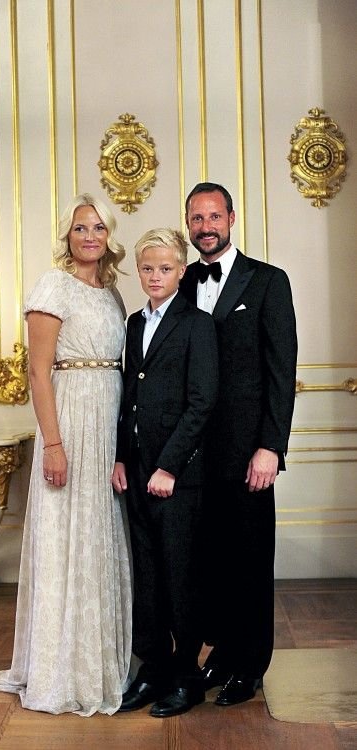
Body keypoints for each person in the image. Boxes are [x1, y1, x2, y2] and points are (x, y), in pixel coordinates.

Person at [0, 193, 132, 716]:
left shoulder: (113, 294)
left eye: (98, 227)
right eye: (80, 228)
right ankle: (61, 666)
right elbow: (37, 372)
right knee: (67, 535)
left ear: (109, 236)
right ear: (66, 236)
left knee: (99, 533)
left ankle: (101, 659)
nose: (89, 235)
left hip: (107, 424)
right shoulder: (52, 285)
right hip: (69, 423)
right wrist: (53, 443)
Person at [179, 182, 298, 706]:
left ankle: (250, 666)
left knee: (249, 560)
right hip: (191, 456)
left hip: (248, 452)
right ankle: (221, 655)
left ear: (230, 217)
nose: (205, 227)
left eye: (213, 216)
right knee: (208, 563)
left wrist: (271, 446)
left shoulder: (269, 282)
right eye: (196, 218)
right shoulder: (178, 282)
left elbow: (281, 371)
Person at [112, 228, 219, 718]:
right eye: (147, 268)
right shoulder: (134, 323)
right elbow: (127, 400)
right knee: (147, 577)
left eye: (166, 268)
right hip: (133, 471)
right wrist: (120, 457)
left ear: (181, 270)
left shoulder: (197, 324)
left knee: (181, 578)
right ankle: (152, 668)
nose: (156, 276)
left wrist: (169, 466)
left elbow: (202, 404)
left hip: (175, 476)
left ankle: (187, 676)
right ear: (139, 272)